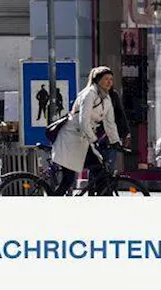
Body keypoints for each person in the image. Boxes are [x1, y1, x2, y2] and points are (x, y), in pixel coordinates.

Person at [50, 66, 121, 195]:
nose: (109, 82)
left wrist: (115, 141)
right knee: (68, 179)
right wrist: (94, 140)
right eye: (106, 79)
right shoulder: (89, 94)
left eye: (111, 79)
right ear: (97, 80)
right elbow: (84, 121)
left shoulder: (106, 98)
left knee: (100, 170)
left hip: (84, 139)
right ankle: (51, 207)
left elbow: (110, 123)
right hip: (71, 139)